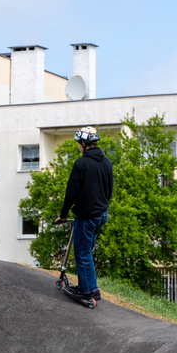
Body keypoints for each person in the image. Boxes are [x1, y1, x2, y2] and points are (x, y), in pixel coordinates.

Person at [55, 126, 113, 301]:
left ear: (83, 143)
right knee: (86, 251)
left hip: (87, 216)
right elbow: (109, 190)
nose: (78, 147)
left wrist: (63, 214)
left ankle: (89, 291)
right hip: (102, 214)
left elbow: (71, 192)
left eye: (78, 143)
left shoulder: (81, 163)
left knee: (81, 253)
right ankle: (85, 285)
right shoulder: (107, 162)